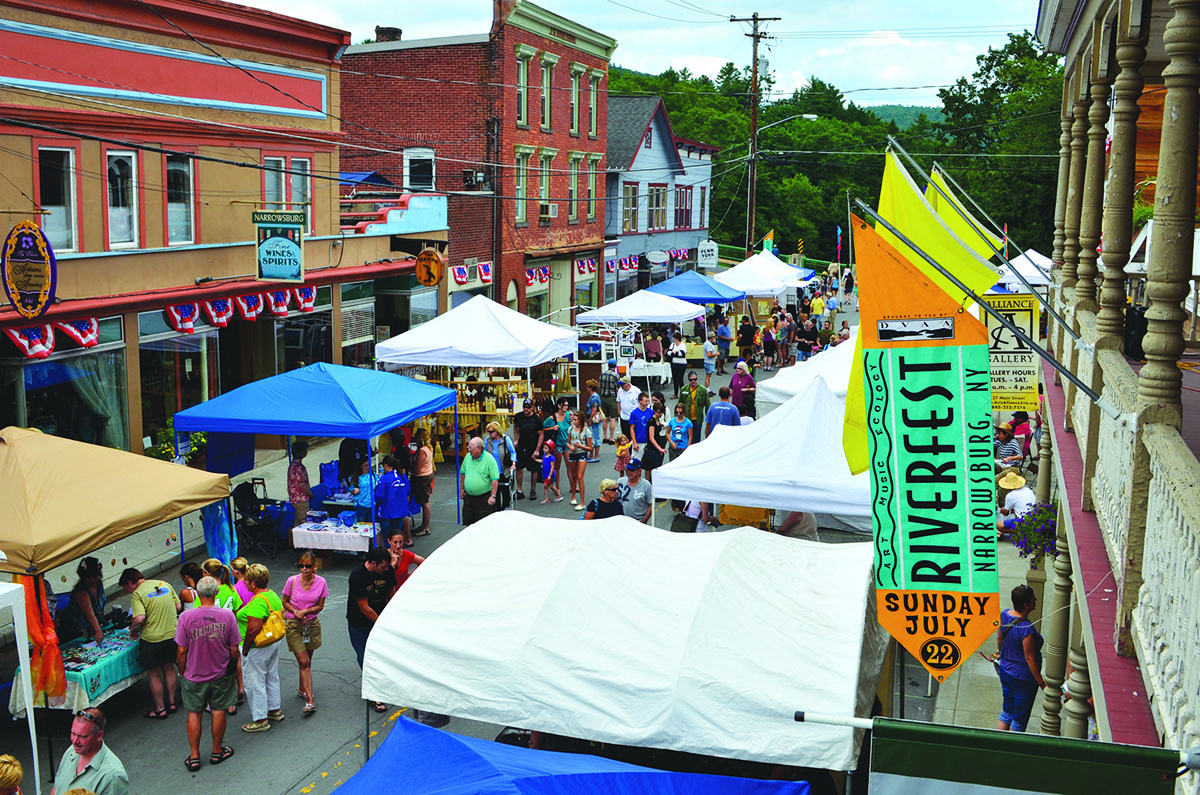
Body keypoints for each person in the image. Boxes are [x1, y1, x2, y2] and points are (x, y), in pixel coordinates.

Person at [175, 576, 239, 771]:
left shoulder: (186, 617)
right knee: (218, 710)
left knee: (194, 713)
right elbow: (234, 648)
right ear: (216, 592)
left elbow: (181, 650)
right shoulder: (228, 616)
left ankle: (194, 756)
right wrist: (232, 666)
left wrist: (182, 670)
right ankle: (217, 751)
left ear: (198, 594)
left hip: (194, 674)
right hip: (220, 673)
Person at [119, 567, 181, 720]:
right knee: (169, 668)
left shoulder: (137, 594)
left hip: (152, 639)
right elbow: (178, 606)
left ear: (130, 583)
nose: (128, 592)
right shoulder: (164, 584)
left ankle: (160, 709)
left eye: (126, 588)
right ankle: (172, 702)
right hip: (171, 634)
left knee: (154, 674)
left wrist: (131, 628)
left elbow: (140, 618)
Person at [236, 563, 285, 732]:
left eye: (247, 581)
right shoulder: (272, 595)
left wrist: (245, 647)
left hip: (257, 646)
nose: (246, 584)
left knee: (254, 681)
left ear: (253, 584)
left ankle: (260, 719)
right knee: (272, 676)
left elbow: (253, 628)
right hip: (272, 642)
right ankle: (274, 709)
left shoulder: (257, 602)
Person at [346, 547, 394, 713]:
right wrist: (382, 624)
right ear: (373, 563)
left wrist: (392, 614)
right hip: (359, 621)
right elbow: (364, 608)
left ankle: (383, 682)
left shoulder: (387, 570)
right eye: (384, 566)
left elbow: (391, 593)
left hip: (380, 617)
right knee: (364, 657)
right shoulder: (358, 576)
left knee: (383, 654)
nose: (387, 569)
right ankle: (374, 694)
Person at [994, 584, 1045, 732]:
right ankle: (1011, 750)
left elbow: (999, 638)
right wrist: (1041, 683)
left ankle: (997, 743)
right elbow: (1030, 659)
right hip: (1023, 679)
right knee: (1018, 720)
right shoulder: (1027, 630)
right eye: (1032, 599)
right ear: (1025, 604)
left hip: (1005, 671)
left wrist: (1002, 653)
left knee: (1007, 711)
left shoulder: (1004, 615)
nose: (1035, 599)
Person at [281, 552, 327, 716]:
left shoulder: (321, 582)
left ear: (314, 566)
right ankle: (310, 700)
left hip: (311, 624)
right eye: (301, 566)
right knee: (304, 662)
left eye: (308, 566)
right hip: (294, 624)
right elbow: (284, 602)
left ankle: (302, 688)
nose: (304, 569)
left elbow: (320, 606)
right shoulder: (291, 581)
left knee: (308, 660)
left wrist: (306, 611)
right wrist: (296, 612)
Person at [200, 559, 244, 712]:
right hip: (230, 633)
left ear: (206, 574)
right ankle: (236, 694)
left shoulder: (207, 593)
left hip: (213, 635)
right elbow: (237, 610)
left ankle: (216, 700)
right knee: (233, 663)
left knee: (215, 668)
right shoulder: (231, 589)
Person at [51, 708, 128, 795]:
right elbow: (56, 789)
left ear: (99, 735)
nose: (75, 741)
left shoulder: (112, 775)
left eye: (82, 736)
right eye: (73, 734)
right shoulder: (71, 751)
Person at [62, 557, 106, 644]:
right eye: (89, 578)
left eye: (95, 576)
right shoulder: (81, 593)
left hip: (93, 628)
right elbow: (90, 615)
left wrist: (103, 620)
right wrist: (98, 631)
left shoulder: (99, 584)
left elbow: (100, 606)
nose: (93, 580)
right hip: (77, 632)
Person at [460, 436, 500, 525]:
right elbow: (463, 473)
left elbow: (494, 480)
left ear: (479, 449)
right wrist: (462, 489)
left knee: (483, 524)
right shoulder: (467, 457)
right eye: (468, 447)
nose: (468, 450)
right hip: (469, 498)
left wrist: (493, 496)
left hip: (484, 499)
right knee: (468, 522)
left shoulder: (489, 460)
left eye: (471, 448)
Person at [374, 454, 413, 547]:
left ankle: (390, 558)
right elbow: (408, 491)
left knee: (389, 539)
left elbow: (379, 496)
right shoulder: (402, 476)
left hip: (386, 512)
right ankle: (399, 556)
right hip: (400, 511)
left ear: (386, 466)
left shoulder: (384, 479)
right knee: (397, 537)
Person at [512, 398, 544, 500]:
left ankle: (533, 490)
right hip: (521, 445)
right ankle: (519, 490)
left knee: (533, 469)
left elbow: (541, 435)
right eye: (524, 407)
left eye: (528, 407)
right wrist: (516, 439)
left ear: (532, 408)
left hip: (533, 446)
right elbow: (515, 427)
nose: (526, 409)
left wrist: (537, 449)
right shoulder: (518, 416)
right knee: (519, 467)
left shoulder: (537, 419)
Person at [483, 422, 516, 510]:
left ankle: (505, 508)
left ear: (497, 431)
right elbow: (484, 453)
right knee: (494, 493)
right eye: (488, 432)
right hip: (492, 472)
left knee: (505, 492)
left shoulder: (505, 439)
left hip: (504, 470)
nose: (489, 434)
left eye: (490, 432)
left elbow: (513, 452)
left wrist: (513, 464)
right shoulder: (487, 440)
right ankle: (496, 511)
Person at [565, 410, 594, 509]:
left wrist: (581, 446)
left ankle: (582, 502)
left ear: (580, 420)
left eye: (576, 420)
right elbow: (567, 442)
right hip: (573, 453)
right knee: (573, 476)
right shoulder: (570, 429)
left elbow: (590, 448)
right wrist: (570, 447)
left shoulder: (586, 431)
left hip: (582, 453)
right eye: (573, 420)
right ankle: (573, 496)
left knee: (580, 476)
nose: (574, 421)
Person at [410, 427, 434, 536]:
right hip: (427, 474)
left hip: (421, 478)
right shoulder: (429, 448)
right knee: (424, 501)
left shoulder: (422, 451)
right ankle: (424, 525)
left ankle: (426, 527)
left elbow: (417, 468)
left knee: (425, 503)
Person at [997, 471, 1037, 536]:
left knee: (998, 525)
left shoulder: (1010, 495)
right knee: (1013, 511)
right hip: (1032, 519)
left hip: (1023, 521)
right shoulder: (1028, 490)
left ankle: (1021, 532)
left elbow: (1005, 513)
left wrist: (1002, 509)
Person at [287, 440, 314, 527]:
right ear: (302, 452)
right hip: (300, 499)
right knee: (304, 522)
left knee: (297, 523)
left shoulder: (293, 465)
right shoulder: (298, 468)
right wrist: (311, 494)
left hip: (295, 499)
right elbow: (302, 485)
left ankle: (292, 540)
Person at [617, 459, 653, 524]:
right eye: (627, 469)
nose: (629, 472)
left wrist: (643, 521)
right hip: (621, 521)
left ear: (639, 471)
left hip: (638, 522)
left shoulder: (646, 485)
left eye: (632, 470)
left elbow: (651, 505)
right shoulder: (620, 481)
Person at [678, 370, 709, 445]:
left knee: (696, 441)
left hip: (697, 419)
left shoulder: (703, 390)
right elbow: (679, 405)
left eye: (695, 379)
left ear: (697, 379)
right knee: (685, 439)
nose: (693, 381)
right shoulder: (683, 390)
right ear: (688, 380)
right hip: (686, 419)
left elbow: (707, 405)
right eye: (691, 380)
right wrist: (677, 419)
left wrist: (709, 420)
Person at [639, 403, 667, 481]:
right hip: (651, 449)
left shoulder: (657, 420)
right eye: (658, 412)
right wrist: (660, 448)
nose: (660, 414)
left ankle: (651, 482)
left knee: (651, 467)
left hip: (655, 448)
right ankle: (649, 483)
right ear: (654, 411)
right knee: (650, 468)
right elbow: (651, 438)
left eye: (661, 412)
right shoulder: (652, 422)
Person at [598, 359, 620, 444]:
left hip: (603, 398)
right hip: (612, 398)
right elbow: (617, 389)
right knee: (613, 418)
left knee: (605, 418)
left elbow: (600, 387)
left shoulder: (602, 375)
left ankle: (605, 436)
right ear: (615, 365)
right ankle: (611, 438)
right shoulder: (615, 376)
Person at [584, 380, 603, 461]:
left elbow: (594, 409)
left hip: (594, 419)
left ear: (591, 388)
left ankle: (596, 456)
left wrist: (590, 420)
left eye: (587, 387)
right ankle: (592, 454)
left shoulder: (593, 397)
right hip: (595, 418)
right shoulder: (595, 396)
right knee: (593, 436)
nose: (586, 388)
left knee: (595, 437)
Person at [667, 332, 688, 396]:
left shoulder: (683, 345)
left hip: (682, 364)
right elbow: (668, 353)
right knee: (675, 379)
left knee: (680, 379)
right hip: (674, 364)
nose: (673, 339)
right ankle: (675, 394)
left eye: (674, 338)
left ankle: (683, 394)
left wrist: (674, 353)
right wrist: (675, 353)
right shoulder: (672, 345)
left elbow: (681, 354)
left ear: (677, 339)